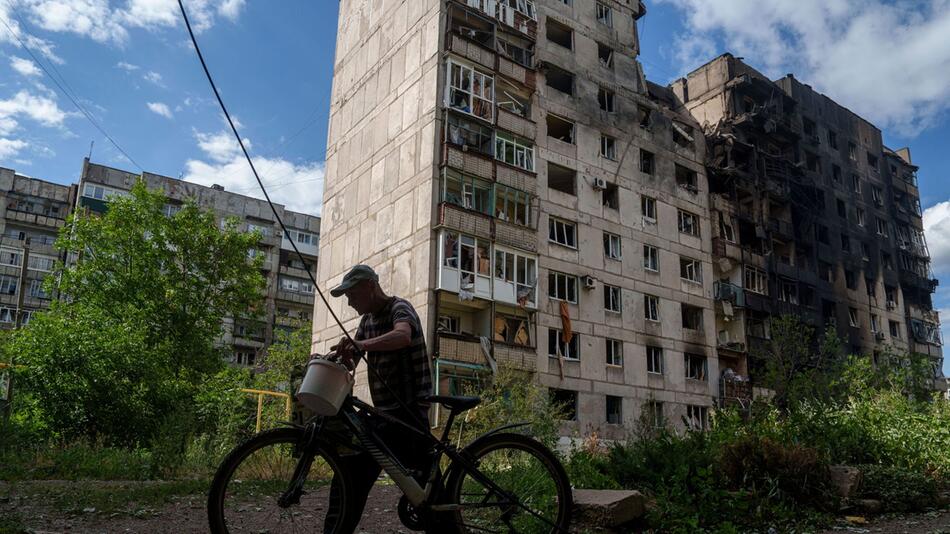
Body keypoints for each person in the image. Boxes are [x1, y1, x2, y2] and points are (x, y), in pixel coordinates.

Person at [323, 264, 432, 534]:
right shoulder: (367, 322)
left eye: (352, 294)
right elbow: (353, 360)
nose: (349, 302)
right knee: (353, 475)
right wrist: (334, 358)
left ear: (370, 287)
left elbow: (402, 336)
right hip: (387, 415)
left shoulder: (399, 308)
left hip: (409, 414)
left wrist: (362, 345)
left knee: (429, 495)